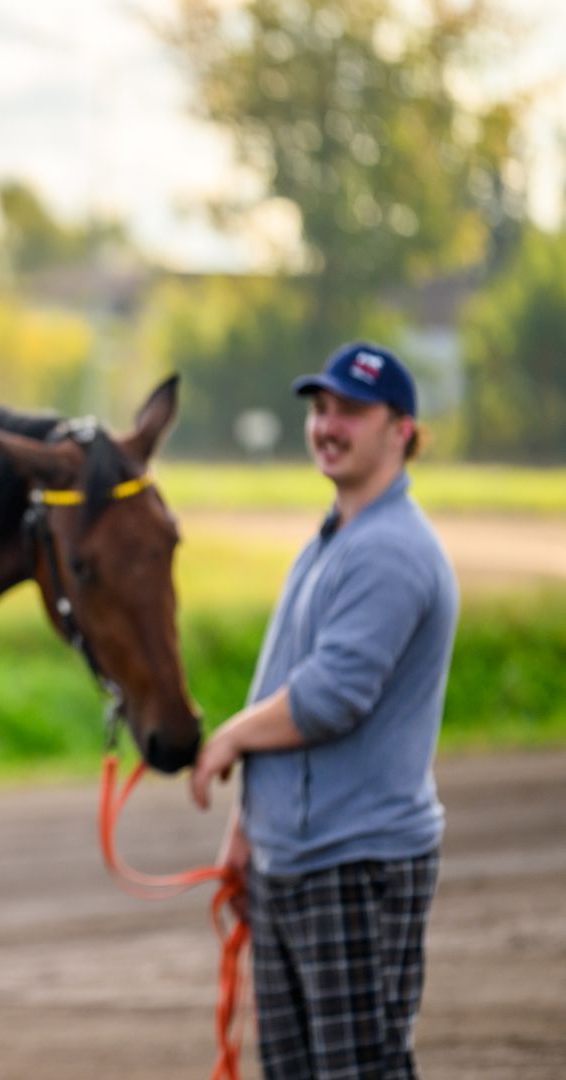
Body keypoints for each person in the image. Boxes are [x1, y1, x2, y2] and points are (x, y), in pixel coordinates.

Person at [190, 343, 459, 1079]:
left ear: (401, 429)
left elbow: (331, 697)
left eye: (351, 411)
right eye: (320, 409)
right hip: (296, 858)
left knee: (359, 1071)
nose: (328, 425)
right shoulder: (336, 539)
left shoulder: (390, 551)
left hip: (356, 860)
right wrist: (249, 829)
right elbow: (285, 678)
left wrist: (228, 742)